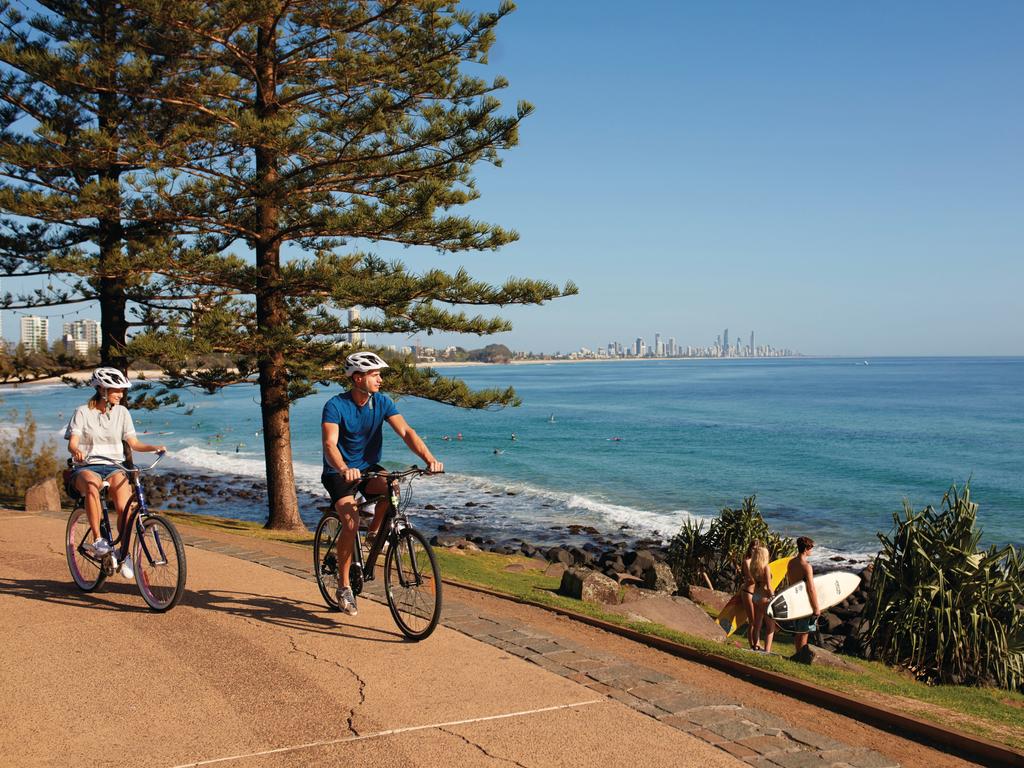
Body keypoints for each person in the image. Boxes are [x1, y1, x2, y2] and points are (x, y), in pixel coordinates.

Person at [321, 352, 443, 617]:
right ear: (358, 378)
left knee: (393, 488)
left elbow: (406, 432)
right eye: (375, 374)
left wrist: (430, 459)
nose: (380, 379)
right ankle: (343, 588)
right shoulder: (335, 405)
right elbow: (330, 443)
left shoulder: (383, 403)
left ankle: (374, 535)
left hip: (368, 469)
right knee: (351, 523)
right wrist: (343, 468)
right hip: (339, 473)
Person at [65, 367, 167, 578]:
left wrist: (154, 447)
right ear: (102, 389)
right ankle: (98, 540)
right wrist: (77, 451)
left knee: (125, 509)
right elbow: (73, 443)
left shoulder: (122, 412)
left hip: (114, 467)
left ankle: (123, 553)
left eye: (122, 390)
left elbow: (134, 443)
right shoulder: (82, 412)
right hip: (87, 466)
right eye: (116, 390)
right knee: (92, 486)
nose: (120, 394)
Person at [779, 536, 819, 653]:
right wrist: (816, 608)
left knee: (798, 630)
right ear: (806, 548)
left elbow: (791, 582)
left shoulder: (791, 563)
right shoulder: (807, 567)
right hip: (804, 601)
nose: (812, 550)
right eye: (811, 548)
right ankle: (801, 655)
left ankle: (798, 653)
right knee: (804, 632)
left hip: (794, 599)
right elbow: (811, 588)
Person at [749, 544, 777, 653]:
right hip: (764, 597)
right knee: (771, 627)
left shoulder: (754, 567)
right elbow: (769, 587)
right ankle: (767, 650)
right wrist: (774, 598)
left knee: (757, 624)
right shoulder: (766, 567)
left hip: (755, 596)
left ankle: (756, 645)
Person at [739, 540, 759, 649]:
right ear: (749, 548)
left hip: (757, 593)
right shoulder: (747, 561)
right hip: (748, 592)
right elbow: (751, 579)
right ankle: (752, 645)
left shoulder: (759, 562)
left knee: (757, 621)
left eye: (756, 549)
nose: (754, 550)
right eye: (753, 548)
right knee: (752, 621)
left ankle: (757, 643)